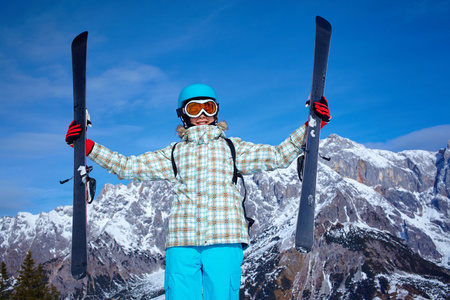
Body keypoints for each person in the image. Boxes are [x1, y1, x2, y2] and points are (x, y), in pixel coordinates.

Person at [65, 83, 331, 300]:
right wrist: (87, 147)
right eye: (195, 107)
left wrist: (311, 127)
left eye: (209, 107)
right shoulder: (173, 153)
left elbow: (277, 155)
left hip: (224, 238)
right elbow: (128, 166)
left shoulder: (232, 148)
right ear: (184, 114)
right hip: (182, 242)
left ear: (216, 112)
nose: (203, 113)